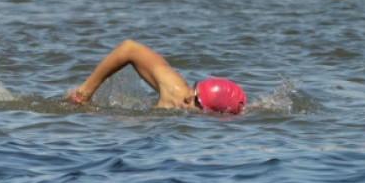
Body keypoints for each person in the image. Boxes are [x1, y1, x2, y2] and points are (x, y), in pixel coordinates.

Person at [67, 39, 246, 114]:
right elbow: (129, 48)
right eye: (194, 89)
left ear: (208, 113)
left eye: (197, 101)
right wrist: (84, 93)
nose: (189, 96)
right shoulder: (176, 89)